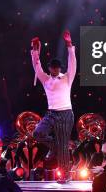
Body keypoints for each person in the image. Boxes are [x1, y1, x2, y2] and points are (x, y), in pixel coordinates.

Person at [31, 30, 76, 182]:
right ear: (50, 68)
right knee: (37, 133)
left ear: (60, 68)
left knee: (64, 146)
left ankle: (66, 175)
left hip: (65, 114)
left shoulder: (67, 77)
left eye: (57, 67)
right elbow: (37, 66)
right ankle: (55, 147)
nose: (55, 70)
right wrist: (35, 51)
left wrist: (69, 45)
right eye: (53, 67)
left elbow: (72, 62)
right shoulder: (45, 79)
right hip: (51, 113)